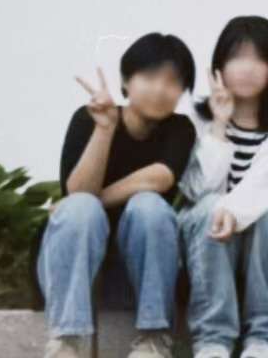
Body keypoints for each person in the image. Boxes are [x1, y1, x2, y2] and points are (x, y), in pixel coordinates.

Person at [37, 32, 197, 358]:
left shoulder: (180, 128)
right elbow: (78, 193)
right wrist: (105, 128)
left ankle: (154, 340)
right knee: (80, 209)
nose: (159, 89)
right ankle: (66, 342)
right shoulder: (88, 119)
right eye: (149, 77)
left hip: (139, 277)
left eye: (172, 81)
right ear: (126, 81)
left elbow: (160, 177)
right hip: (73, 271)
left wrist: (91, 200)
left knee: (149, 206)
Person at [178, 16, 268, 358]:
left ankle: (264, 339)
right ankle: (213, 341)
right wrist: (219, 125)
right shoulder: (195, 119)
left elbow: (266, 182)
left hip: (262, 240)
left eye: (259, 58)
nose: (247, 68)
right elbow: (197, 190)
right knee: (209, 206)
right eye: (237, 57)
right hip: (206, 241)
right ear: (219, 66)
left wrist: (231, 211)